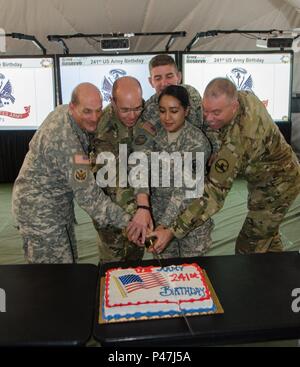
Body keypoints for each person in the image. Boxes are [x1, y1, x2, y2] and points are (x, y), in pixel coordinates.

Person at [147, 78, 300, 255]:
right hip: (263, 178)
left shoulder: (239, 140)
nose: (209, 118)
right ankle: (277, 275)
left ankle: (257, 280)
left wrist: (172, 230)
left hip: (279, 184)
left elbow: (214, 194)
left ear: (234, 107)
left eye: (216, 113)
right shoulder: (242, 97)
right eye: (206, 111)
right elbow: (216, 126)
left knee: (249, 245)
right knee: (266, 236)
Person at [12, 82, 131, 264]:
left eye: (98, 110)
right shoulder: (65, 142)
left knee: (67, 267)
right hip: (39, 213)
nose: (95, 117)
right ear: (73, 107)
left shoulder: (66, 113)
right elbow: (90, 198)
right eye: (87, 111)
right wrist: (129, 222)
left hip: (57, 208)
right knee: (53, 276)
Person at [130, 85, 213, 258]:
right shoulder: (153, 134)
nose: (167, 118)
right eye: (162, 111)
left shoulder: (197, 142)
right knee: (165, 276)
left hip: (191, 223)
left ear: (187, 110)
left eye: (174, 111)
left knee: (191, 276)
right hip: (159, 217)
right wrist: (144, 212)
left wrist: (164, 227)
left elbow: (185, 190)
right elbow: (139, 164)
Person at [91, 76, 145, 263]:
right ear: (113, 102)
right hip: (112, 209)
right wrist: (139, 216)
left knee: (136, 260)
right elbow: (113, 182)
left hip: (137, 203)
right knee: (112, 268)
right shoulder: (104, 129)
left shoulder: (146, 113)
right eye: (125, 110)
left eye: (137, 108)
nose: (132, 115)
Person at [142, 54, 203, 129]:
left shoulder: (192, 95)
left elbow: (207, 125)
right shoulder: (147, 110)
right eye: (158, 78)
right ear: (151, 82)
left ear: (179, 77)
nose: (164, 83)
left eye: (169, 77)